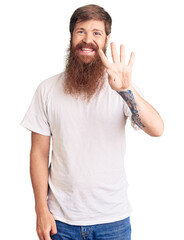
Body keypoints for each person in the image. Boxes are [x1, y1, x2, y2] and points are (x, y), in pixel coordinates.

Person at [20, 4, 164, 240]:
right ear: (71, 36)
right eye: (81, 31)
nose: (88, 39)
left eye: (96, 32)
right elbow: (38, 153)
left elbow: (157, 129)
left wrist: (126, 90)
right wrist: (40, 210)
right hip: (60, 222)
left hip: (112, 221)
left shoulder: (121, 89)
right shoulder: (47, 89)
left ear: (107, 39)